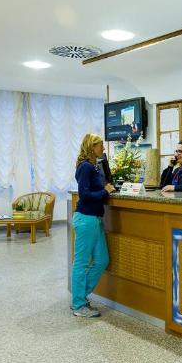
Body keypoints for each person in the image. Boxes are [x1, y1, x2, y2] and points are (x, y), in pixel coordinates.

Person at [71, 133, 115, 318]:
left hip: (95, 219)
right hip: (86, 219)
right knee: (81, 262)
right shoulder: (86, 167)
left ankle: (80, 296)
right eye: (100, 146)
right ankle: (78, 303)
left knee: (102, 260)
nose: (103, 149)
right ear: (91, 147)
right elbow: (85, 195)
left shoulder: (94, 167)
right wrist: (104, 192)